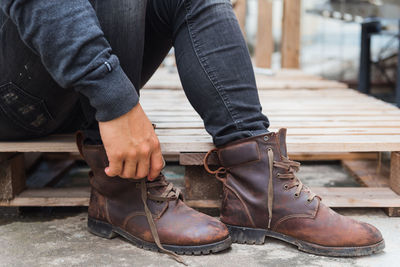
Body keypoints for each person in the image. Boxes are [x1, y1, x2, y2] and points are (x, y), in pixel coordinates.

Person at [0, 0, 384, 263]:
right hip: (14, 98)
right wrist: (115, 100)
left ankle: (261, 186)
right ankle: (121, 190)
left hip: (64, 82)